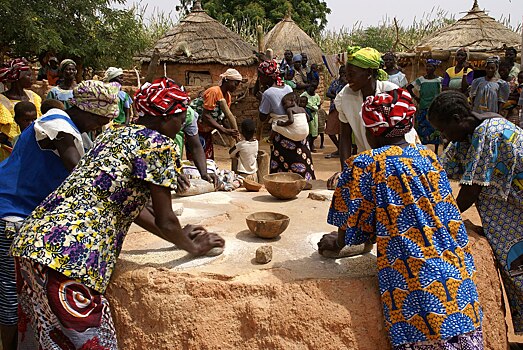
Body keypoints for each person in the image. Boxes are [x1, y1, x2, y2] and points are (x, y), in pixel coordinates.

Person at [10, 77, 225, 349]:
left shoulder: (116, 134)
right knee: (93, 342)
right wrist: (192, 246)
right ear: (166, 116)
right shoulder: (158, 145)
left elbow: (130, 208)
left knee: (48, 340)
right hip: (69, 257)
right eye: (181, 115)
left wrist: (179, 235)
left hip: (34, 240)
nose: (183, 123)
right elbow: (165, 219)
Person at [320, 89, 483, 349]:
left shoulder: (364, 165)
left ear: (371, 131)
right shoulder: (429, 157)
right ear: (408, 126)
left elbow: (352, 219)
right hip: (460, 285)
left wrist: (337, 242)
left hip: (419, 296)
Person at [0, 80, 119, 350]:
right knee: (11, 296)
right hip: (11, 214)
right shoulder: (59, 126)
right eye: (101, 119)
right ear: (88, 112)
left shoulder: (69, 128)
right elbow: (83, 178)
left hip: (21, 214)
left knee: (23, 296)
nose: (100, 126)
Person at [428, 90, 523, 336]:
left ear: (458, 117)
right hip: (510, 215)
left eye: (443, 129)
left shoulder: (488, 134)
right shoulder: (467, 135)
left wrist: (440, 218)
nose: (443, 136)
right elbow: (438, 169)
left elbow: (471, 190)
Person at [333, 46, 418, 173]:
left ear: (368, 73)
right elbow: (345, 136)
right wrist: (344, 173)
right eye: (346, 74)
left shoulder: (391, 92)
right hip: (370, 160)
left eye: (352, 74)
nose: (347, 79)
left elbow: (407, 127)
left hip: (399, 159)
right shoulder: (344, 96)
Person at [258, 60, 315, 181]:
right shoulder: (288, 87)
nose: (259, 78)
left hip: (282, 132)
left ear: (267, 76)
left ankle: (283, 185)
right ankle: (306, 179)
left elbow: (262, 117)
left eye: (260, 75)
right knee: (300, 156)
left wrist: (261, 99)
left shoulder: (268, 93)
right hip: (297, 125)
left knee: (283, 162)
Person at [189, 68, 242, 160]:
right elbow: (206, 116)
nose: (236, 87)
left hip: (206, 130)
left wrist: (232, 132)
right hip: (195, 128)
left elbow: (223, 118)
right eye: (235, 83)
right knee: (198, 158)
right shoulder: (214, 91)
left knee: (208, 159)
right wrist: (224, 130)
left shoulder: (227, 96)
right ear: (226, 80)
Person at [0, 58, 42, 162]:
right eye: (28, 75)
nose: (32, 78)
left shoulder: (34, 98)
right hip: (9, 152)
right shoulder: (1, 101)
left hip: (32, 147)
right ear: (17, 78)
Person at [407, 59, 443, 153]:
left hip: (434, 107)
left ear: (435, 68)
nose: (428, 68)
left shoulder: (439, 80)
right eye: (427, 66)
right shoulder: (421, 80)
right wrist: (416, 98)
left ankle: (435, 150)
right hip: (423, 106)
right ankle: (422, 148)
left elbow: (444, 89)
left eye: (430, 66)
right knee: (422, 127)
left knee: (434, 128)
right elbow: (409, 87)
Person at [324, 65, 347, 159]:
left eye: (344, 73)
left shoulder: (349, 84)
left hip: (344, 110)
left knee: (342, 132)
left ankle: (341, 151)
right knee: (330, 130)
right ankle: (339, 148)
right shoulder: (335, 83)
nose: (342, 75)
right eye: (341, 73)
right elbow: (328, 93)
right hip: (334, 108)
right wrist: (337, 97)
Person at [301, 80, 321, 152]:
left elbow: (319, 105)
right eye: (311, 87)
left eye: (314, 87)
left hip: (314, 116)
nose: (312, 88)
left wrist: (315, 108)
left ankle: (311, 145)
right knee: (307, 132)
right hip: (306, 115)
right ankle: (308, 146)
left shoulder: (317, 96)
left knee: (314, 133)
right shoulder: (304, 94)